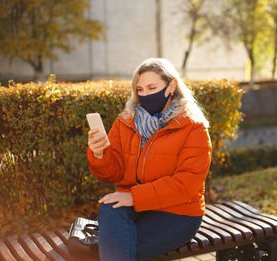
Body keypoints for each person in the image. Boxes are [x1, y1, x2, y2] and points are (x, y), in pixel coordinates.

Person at [87, 58, 212, 261]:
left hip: (178, 214)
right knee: (110, 209)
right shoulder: (125, 121)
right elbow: (113, 172)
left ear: (171, 86)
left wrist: (135, 197)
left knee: (109, 251)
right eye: (140, 90)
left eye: (152, 87)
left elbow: (186, 184)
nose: (145, 95)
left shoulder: (194, 127)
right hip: (134, 207)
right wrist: (100, 154)